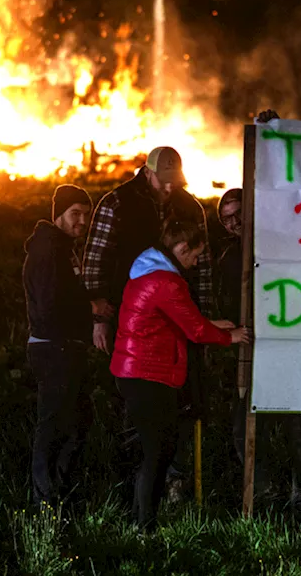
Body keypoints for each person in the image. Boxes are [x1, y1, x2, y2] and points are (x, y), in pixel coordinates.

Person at [81, 145, 216, 499]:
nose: (171, 188)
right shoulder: (117, 204)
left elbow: (203, 267)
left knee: (181, 396)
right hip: (132, 323)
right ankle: (133, 480)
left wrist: (205, 317)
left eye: (176, 181)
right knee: (133, 398)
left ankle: (173, 479)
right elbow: (97, 257)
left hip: (178, 320)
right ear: (148, 172)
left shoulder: (190, 207)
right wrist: (99, 317)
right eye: (165, 181)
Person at [110, 218, 249, 531]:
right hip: (148, 374)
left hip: (136, 371)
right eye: (195, 255)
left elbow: (181, 319)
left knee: (155, 449)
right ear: (182, 248)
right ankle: (145, 526)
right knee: (158, 452)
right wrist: (232, 336)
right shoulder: (167, 282)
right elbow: (195, 330)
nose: (196, 262)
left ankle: (141, 520)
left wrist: (216, 325)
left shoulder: (148, 270)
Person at [220, 180, 301, 516]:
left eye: (238, 214)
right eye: (226, 219)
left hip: (292, 350)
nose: (234, 222)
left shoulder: (284, 244)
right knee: (245, 428)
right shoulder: (229, 257)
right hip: (254, 354)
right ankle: (265, 492)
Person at [22, 185, 106, 511]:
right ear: (58, 213)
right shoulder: (47, 252)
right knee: (54, 423)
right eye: (75, 214)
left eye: (86, 215)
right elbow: (48, 306)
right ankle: (45, 500)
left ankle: (61, 492)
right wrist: (91, 308)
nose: (82, 221)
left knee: (77, 421)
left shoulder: (62, 247)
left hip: (66, 347)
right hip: (52, 347)